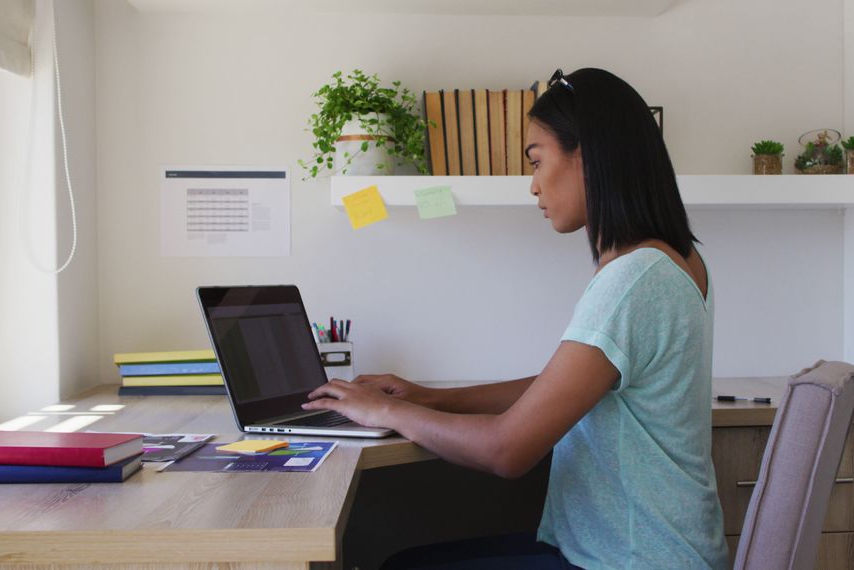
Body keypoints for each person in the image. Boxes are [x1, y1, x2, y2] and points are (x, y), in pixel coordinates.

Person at [302, 68, 729, 570]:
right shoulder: (677, 260)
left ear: (586, 157)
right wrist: (428, 396)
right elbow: (562, 386)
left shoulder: (633, 279)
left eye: (536, 160)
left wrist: (384, 413)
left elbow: (507, 450)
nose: (532, 186)